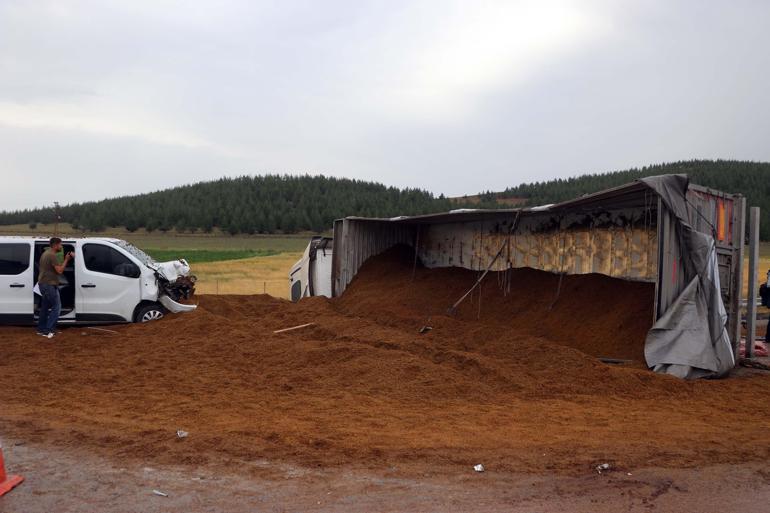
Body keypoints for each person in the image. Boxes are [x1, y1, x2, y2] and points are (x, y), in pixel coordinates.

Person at [37, 237, 74, 338]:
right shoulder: (52, 255)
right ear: (55, 245)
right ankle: (48, 330)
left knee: (45, 307)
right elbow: (60, 271)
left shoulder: (45, 254)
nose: (61, 247)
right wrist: (66, 259)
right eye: (60, 245)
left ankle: (41, 329)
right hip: (49, 284)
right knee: (57, 307)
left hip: (43, 283)